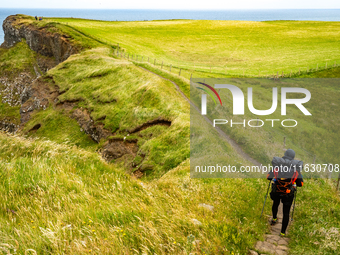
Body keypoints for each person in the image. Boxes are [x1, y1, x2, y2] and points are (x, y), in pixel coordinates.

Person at [267, 149, 304, 237]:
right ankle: (282, 232)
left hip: (277, 190)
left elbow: (268, 177)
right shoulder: (296, 168)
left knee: (275, 203)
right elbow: (300, 184)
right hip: (288, 193)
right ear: (293, 157)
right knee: (286, 212)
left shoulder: (277, 165)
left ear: (285, 154)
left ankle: (274, 218)